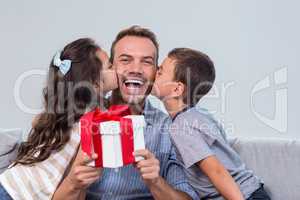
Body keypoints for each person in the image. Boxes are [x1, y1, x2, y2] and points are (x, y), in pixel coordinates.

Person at [56, 26, 198, 200]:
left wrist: (156, 182)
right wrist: (73, 183)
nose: (136, 69)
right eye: (125, 60)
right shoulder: (80, 117)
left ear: (156, 72)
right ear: (110, 69)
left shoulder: (171, 131)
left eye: (146, 61)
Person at [0, 38, 118, 200]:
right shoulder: (92, 120)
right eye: (110, 66)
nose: (116, 68)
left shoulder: (67, 112)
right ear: (95, 83)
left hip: (9, 183)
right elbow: (78, 181)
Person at [152, 48, 271, 200]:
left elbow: (216, 170)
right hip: (252, 191)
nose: (155, 72)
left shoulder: (181, 127)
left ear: (176, 89)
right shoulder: (199, 115)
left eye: (160, 71)